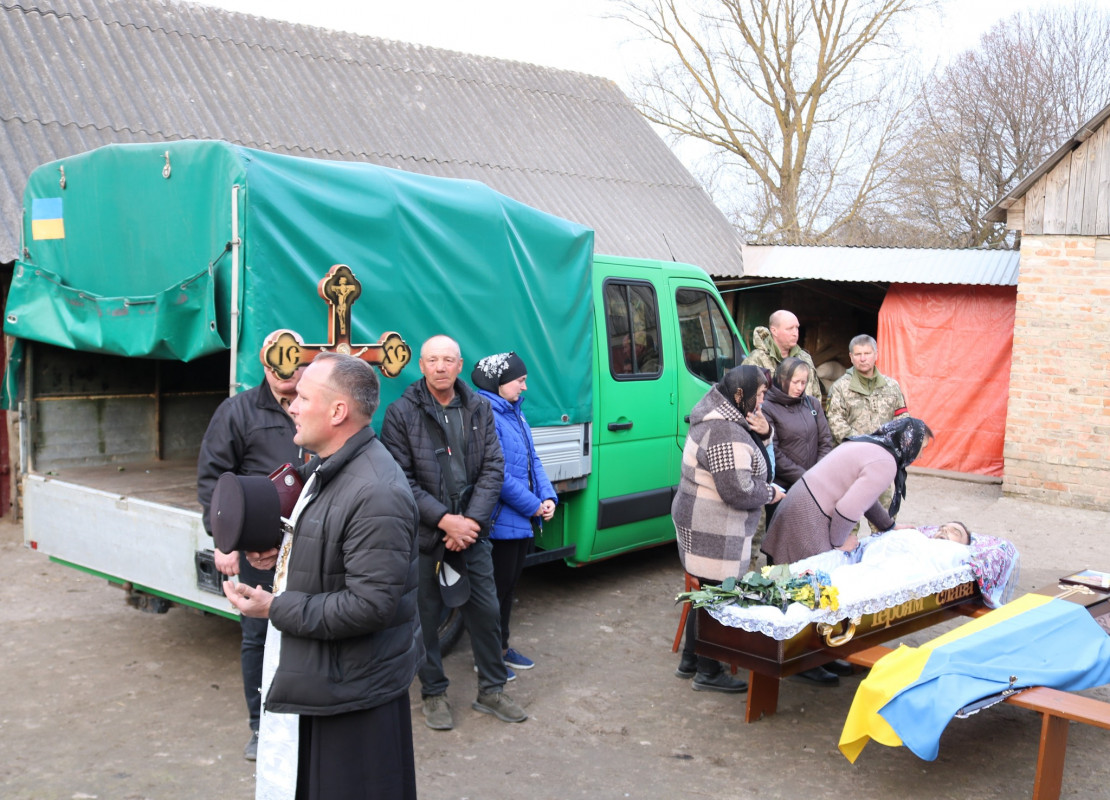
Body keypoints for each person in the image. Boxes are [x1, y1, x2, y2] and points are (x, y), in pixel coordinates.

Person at [223, 352, 423, 800]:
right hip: (331, 679)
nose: (290, 404)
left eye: (302, 396)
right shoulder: (330, 468)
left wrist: (274, 607)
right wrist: (284, 553)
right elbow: (332, 548)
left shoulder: (375, 491)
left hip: (354, 694)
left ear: (338, 411)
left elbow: (370, 605)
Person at [380, 334, 527, 731]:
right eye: (433, 360)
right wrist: (445, 520)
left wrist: (470, 523)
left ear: (460, 365)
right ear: (422, 366)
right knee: (425, 618)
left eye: (448, 359)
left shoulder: (478, 407)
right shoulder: (401, 413)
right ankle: (434, 693)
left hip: (472, 533)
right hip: (427, 535)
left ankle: (492, 691)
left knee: (487, 611)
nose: (441, 367)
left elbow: (494, 469)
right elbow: (399, 479)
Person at [196, 331, 306, 761]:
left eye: (295, 365)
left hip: (310, 543)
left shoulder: (313, 405)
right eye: (277, 365)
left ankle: (302, 715)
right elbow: (213, 480)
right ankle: (260, 726)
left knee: (309, 626)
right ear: (263, 365)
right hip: (259, 549)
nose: (287, 375)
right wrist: (224, 542)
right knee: (258, 636)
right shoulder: (238, 411)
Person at [672, 365, 784, 692]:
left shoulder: (727, 416)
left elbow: (752, 456)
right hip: (711, 524)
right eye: (759, 395)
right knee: (717, 595)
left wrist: (764, 434)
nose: (761, 402)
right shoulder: (723, 430)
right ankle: (708, 671)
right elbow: (736, 490)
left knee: (706, 592)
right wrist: (770, 493)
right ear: (740, 395)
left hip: (704, 519)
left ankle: (691, 660)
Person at [471, 351, 557, 677]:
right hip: (500, 522)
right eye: (519, 380)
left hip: (519, 520)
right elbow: (497, 474)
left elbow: (533, 460)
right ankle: (488, 658)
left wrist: (547, 496)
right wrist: (533, 505)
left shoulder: (515, 414)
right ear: (499, 381)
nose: (524, 387)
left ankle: (502, 649)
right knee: (493, 594)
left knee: (507, 591)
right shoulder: (486, 415)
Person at [761, 416, 934, 566]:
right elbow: (848, 508)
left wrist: (889, 526)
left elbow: (865, 497)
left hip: (798, 504)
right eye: (922, 447)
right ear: (909, 443)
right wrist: (839, 543)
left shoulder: (872, 444)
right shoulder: (886, 462)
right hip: (809, 518)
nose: (921, 455)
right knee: (808, 590)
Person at [760, 357, 834, 525]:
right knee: (781, 544)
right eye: (795, 382)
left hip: (814, 486)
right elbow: (773, 451)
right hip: (783, 489)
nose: (800, 388)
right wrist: (804, 477)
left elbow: (825, 440)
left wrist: (817, 474)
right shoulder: (768, 407)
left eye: (803, 383)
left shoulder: (812, 404)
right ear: (782, 379)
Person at [826, 334, 908, 445]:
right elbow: (835, 422)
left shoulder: (892, 386)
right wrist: (861, 444)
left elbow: (902, 418)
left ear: (876, 355)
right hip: (852, 451)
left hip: (885, 450)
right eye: (858, 354)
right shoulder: (840, 387)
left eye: (867, 353)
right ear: (851, 357)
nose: (863, 359)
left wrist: (888, 442)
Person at [742, 310, 821, 399]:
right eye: (790, 329)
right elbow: (746, 398)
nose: (795, 333)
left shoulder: (805, 358)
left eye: (797, 328)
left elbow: (815, 395)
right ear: (774, 331)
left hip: (802, 412)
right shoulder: (756, 359)